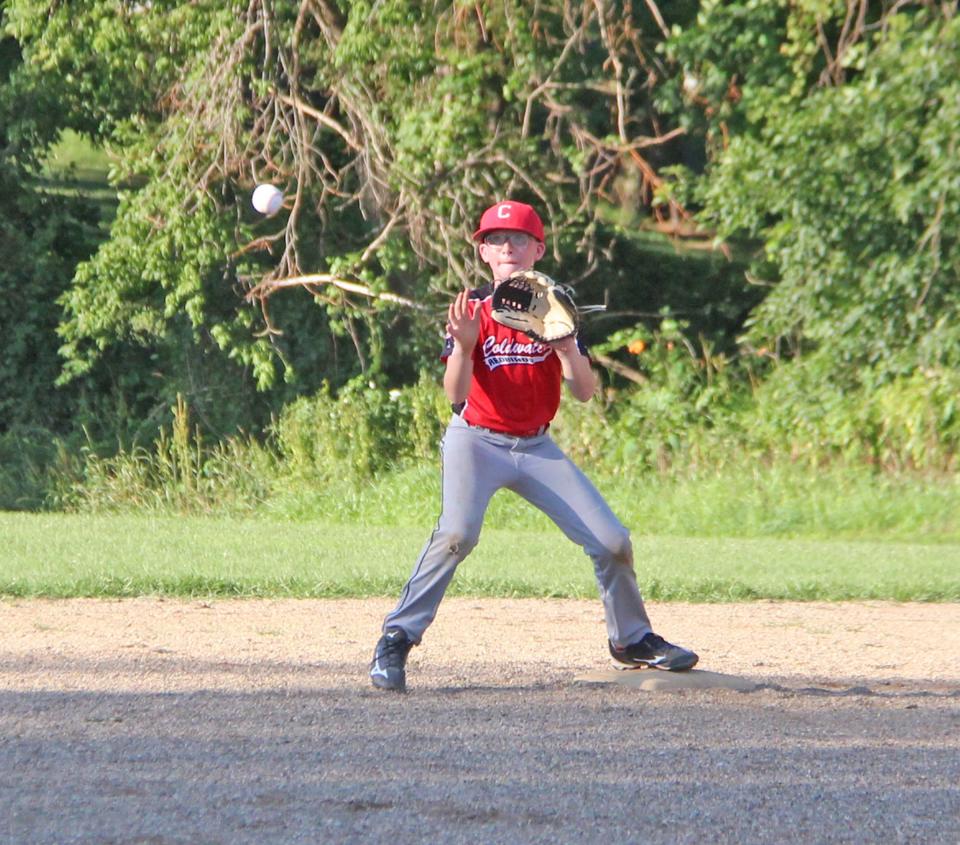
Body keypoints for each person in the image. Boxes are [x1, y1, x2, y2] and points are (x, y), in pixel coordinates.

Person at [369, 199, 698, 692]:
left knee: (612, 541)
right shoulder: (474, 309)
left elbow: (585, 392)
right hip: (476, 440)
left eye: (519, 238)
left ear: (537, 249)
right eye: (496, 240)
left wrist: (567, 346)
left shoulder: (555, 309)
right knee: (457, 534)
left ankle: (631, 641)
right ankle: (396, 637)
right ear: (483, 253)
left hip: (536, 447)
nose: (508, 247)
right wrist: (462, 344)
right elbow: (455, 396)